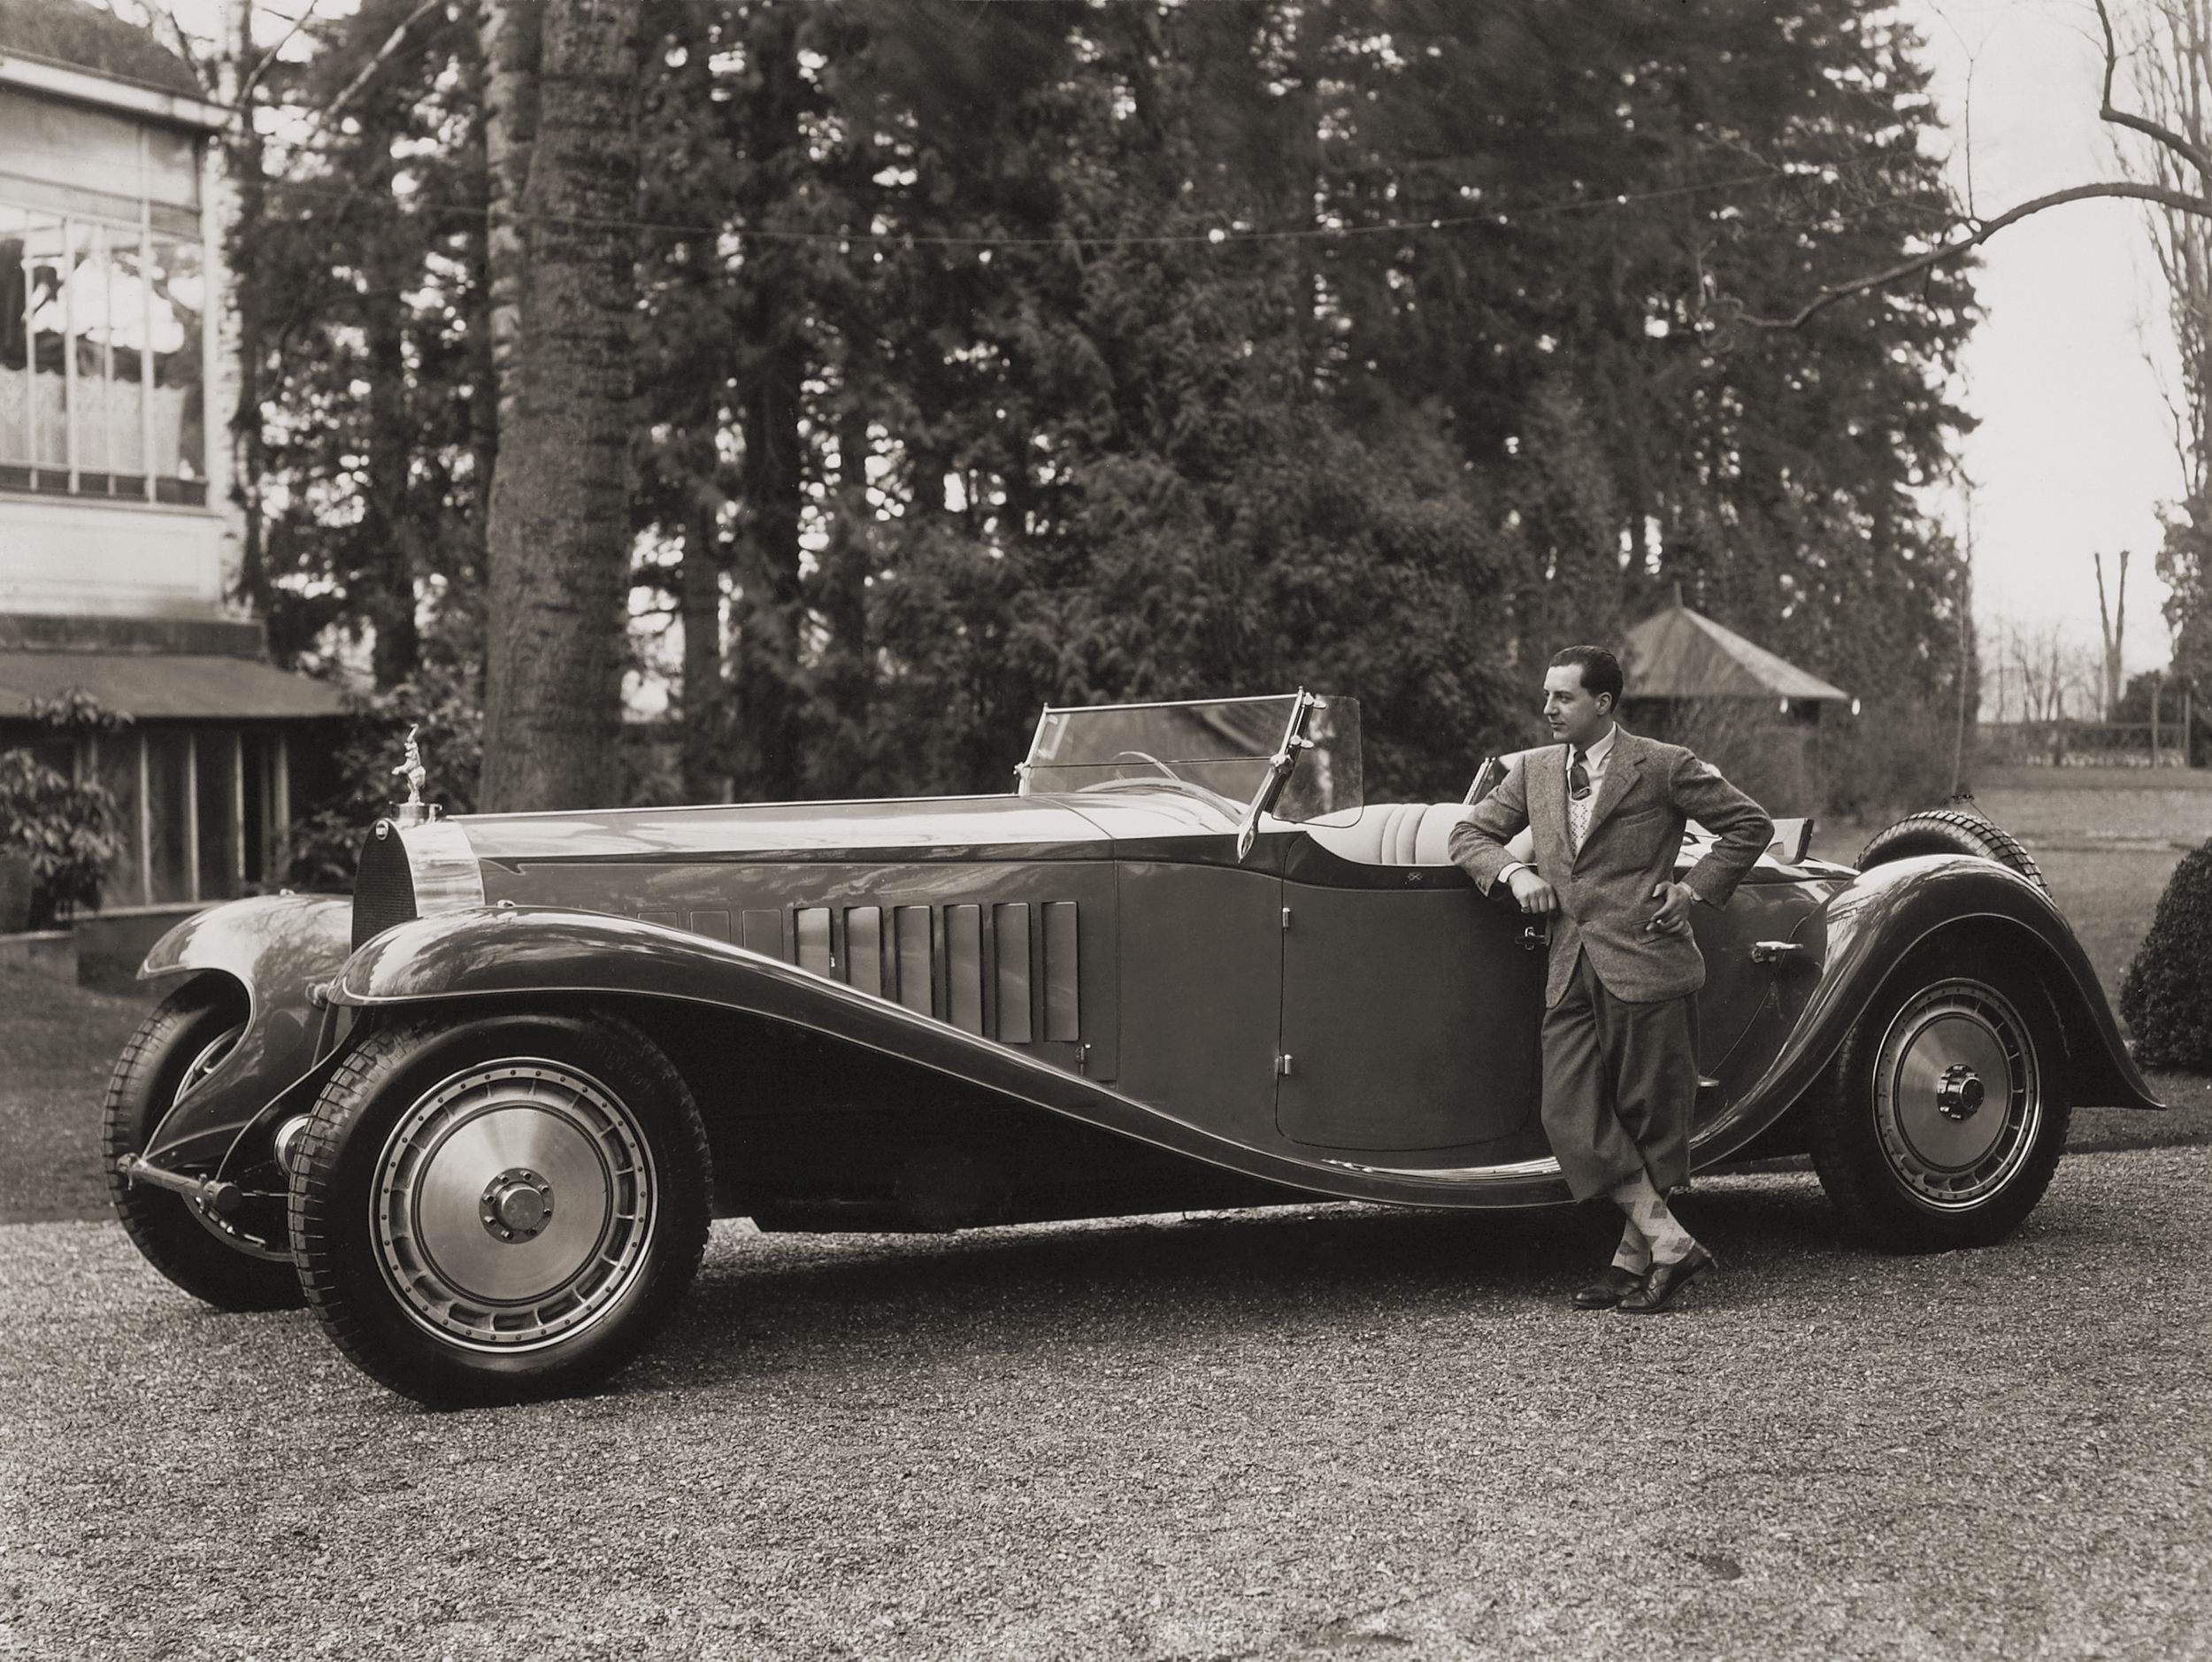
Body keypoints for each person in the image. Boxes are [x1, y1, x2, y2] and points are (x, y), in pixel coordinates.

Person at [1448, 645, 1772, 1313]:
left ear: (1603, 703)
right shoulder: (1532, 771)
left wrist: (1693, 892)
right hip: (1569, 964)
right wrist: (1515, 873)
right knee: (1567, 1113)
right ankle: (1671, 1244)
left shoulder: (1662, 764)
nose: (1547, 710)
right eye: (1546, 696)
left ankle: (1632, 1262)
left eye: (1562, 698)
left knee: (1651, 1120)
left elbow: (1749, 825)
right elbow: (1468, 836)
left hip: (1650, 959)